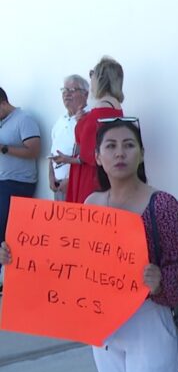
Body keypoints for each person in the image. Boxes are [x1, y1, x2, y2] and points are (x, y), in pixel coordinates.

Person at [2, 117, 178, 372]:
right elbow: (63, 262)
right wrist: (17, 255)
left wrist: (160, 283)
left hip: (149, 326)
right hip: (103, 329)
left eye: (128, 145)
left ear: (140, 154)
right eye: (111, 146)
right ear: (97, 156)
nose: (120, 153)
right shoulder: (90, 203)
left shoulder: (163, 206)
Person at [57, 57, 124, 204]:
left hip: (90, 178)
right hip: (102, 176)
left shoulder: (99, 112)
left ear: (100, 79)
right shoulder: (115, 107)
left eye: (92, 74)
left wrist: (66, 159)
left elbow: (87, 156)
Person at [0, 87, 42, 248]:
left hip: (17, 184)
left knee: (6, 233)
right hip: (3, 181)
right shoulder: (4, 121)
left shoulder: (24, 119)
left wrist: (4, 148)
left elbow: (34, 150)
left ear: (3, 103)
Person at [49, 75, 89, 200]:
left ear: (86, 94)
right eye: (64, 90)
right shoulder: (59, 121)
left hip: (79, 186)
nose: (66, 94)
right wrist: (51, 177)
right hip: (58, 187)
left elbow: (88, 157)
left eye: (72, 90)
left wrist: (70, 180)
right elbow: (52, 154)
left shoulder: (89, 119)